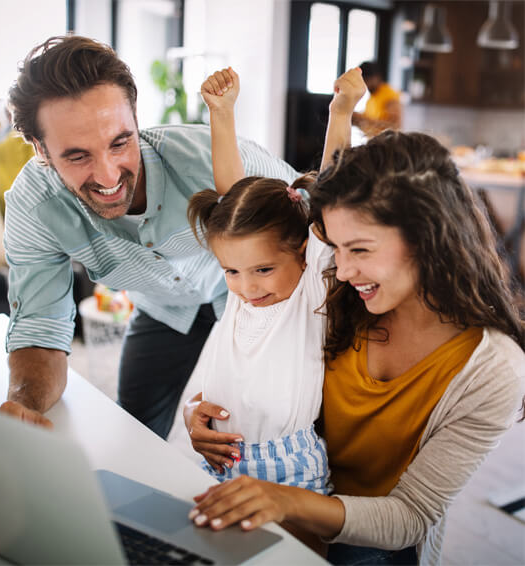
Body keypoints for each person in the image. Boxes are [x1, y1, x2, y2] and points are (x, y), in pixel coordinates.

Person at [184, 72, 525, 565]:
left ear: (427, 237)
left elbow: (408, 516)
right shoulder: (339, 293)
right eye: (335, 248)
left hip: (372, 538)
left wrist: (288, 500)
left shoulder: (492, 369)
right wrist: (213, 421)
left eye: (359, 249)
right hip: (272, 499)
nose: (339, 269)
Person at [0, 35, 299, 439]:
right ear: (40, 150)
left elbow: (319, 223)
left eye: (120, 142)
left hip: (251, 297)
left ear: (136, 117)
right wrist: (24, 405)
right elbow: (40, 326)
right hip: (162, 307)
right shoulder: (34, 208)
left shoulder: (212, 157)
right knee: (134, 434)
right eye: (78, 155)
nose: (108, 176)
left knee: (276, 420)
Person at [183, 67, 362, 494]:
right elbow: (231, 198)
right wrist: (221, 113)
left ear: (303, 252)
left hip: (290, 470)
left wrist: (341, 113)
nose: (247, 288)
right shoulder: (244, 294)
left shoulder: (307, 291)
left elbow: (331, 195)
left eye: (263, 269)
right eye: (231, 271)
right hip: (221, 461)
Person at [352, 61, 402, 138]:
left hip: (384, 146)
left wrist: (363, 119)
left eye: (366, 80)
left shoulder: (389, 94)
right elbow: (369, 124)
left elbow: (394, 126)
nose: (365, 84)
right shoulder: (371, 98)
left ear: (376, 77)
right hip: (373, 144)